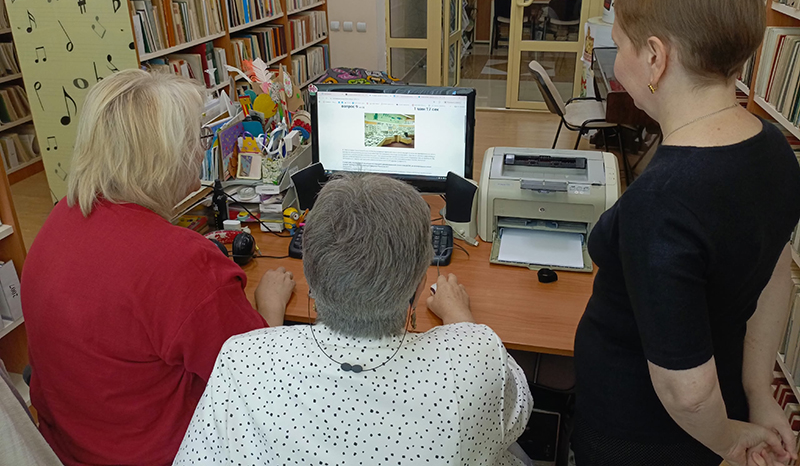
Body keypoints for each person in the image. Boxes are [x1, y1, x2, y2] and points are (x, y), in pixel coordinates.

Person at [572, 0, 800, 466]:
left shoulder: (661, 202)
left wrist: (729, 442)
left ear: (656, 57)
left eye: (619, 44)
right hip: (723, 402)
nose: (616, 61)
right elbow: (777, 273)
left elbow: (689, 394)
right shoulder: (772, 149)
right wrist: (759, 393)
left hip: (642, 432)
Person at [22, 70, 296, 466]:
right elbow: (260, 377)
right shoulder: (181, 261)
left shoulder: (60, 217)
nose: (201, 152)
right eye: (196, 139)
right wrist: (270, 306)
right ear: (166, 156)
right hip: (169, 454)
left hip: (68, 448)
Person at [173, 174, 533, 465]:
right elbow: (517, 416)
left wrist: (270, 320)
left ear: (310, 276)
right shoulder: (477, 356)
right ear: (419, 283)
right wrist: (459, 317)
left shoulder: (241, 360)